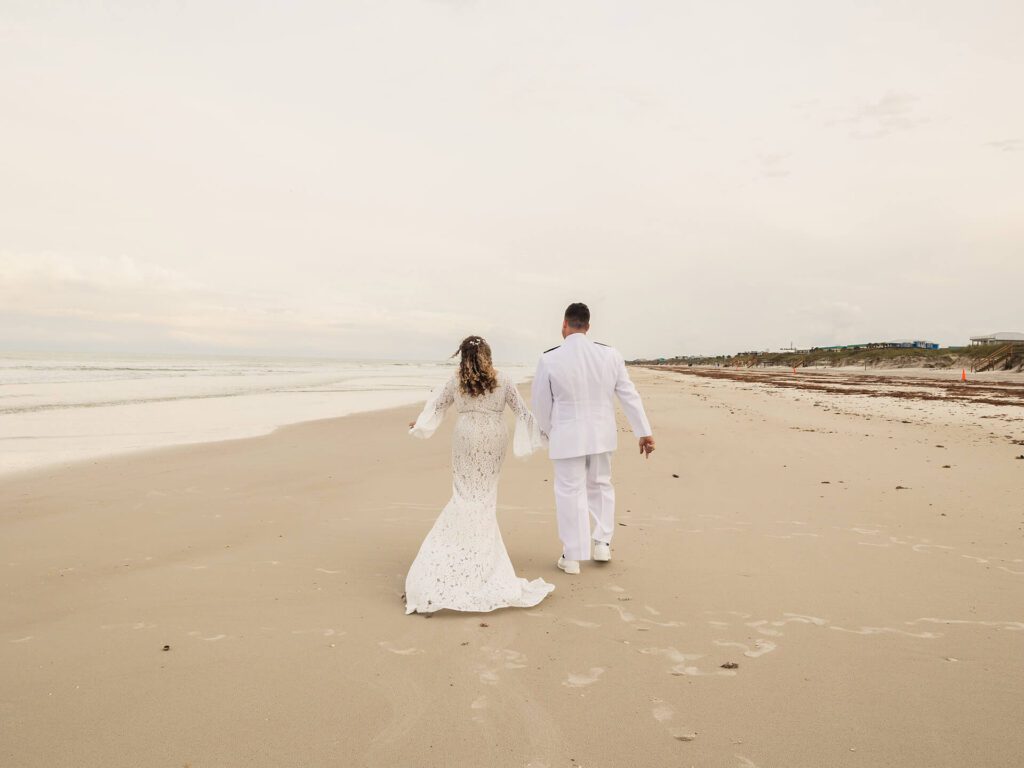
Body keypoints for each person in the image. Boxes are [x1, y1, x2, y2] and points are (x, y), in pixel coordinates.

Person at [404, 335, 555, 614]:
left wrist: (420, 423)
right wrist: (546, 433)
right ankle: (479, 561)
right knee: (485, 497)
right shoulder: (503, 379)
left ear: (463, 356)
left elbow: (436, 406)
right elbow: (523, 413)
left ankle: (458, 555)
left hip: (465, 436)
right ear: (488, 355)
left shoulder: (456, 380)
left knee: (464, 495)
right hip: (494, 436)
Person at [531, 303, 654, 574]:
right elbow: (628, 394)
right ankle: (602, 543)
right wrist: (643, 431)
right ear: (587, 326)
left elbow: (541, 403)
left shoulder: (549, 358)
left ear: (565, 324)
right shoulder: (609, 355)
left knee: (569, 491)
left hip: (566, 435)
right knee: (600, 485)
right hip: (601, 434)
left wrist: (547, 431)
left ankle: (572, 556)